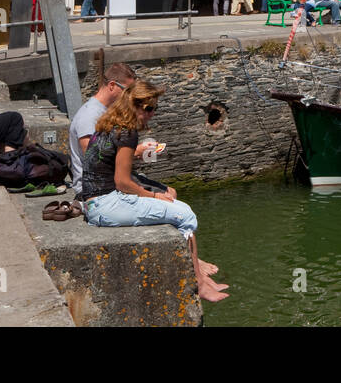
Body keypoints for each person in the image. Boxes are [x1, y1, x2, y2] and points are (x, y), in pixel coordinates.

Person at [79, 81, 227, 303]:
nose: (152, 114)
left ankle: (199, 276)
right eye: (148, 109)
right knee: (185, 214)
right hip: (106, 205)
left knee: (178, 208)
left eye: (154, 109)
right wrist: (155, 196)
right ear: (133, 106)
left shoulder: (108, 125)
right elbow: (122, 182)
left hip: (94, 202)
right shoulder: (127, 133)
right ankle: (199, 283)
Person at [69, 62, 139, 196]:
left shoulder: (104, 111)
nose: (129, 96)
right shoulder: (90, 116)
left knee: (167, 194)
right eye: (127, 91)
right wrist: (134, 152)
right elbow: (94, 160)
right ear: (112, 85)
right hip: (94, 190)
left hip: (106, 184)